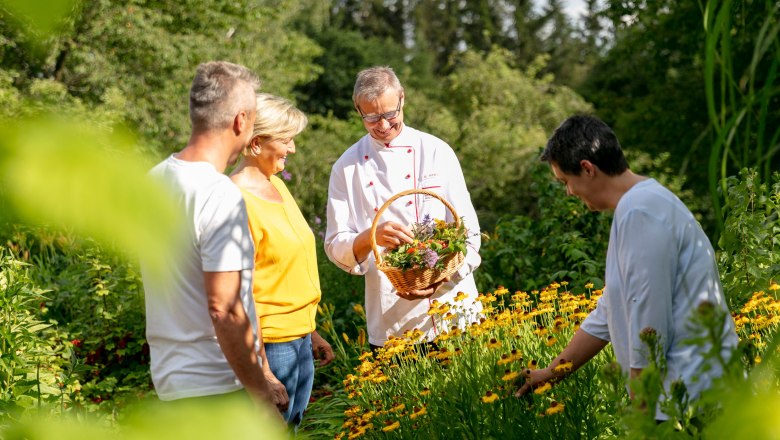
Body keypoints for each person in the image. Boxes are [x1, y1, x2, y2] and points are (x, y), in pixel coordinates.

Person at [516, 114, 738, 420]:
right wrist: (552, 372)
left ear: (587, 169)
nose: (569, 192)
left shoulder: (641, 210)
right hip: (681, 394)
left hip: (691, 398)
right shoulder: (639, 205)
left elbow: (649, 310)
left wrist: (641, 398)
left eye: (566, 181)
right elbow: (611, 309)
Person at [139, 61, 277, 414]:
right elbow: (225, 309)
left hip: (172, 383)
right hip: (217, 387)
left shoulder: (153, 181)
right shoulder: (218, 193)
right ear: (240, 121)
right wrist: (262, 398)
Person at [324, 66, 482, 350]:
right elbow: (335, 244)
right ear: (357, 110)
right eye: (370, 117)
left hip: (455, 312)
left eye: (389, 114)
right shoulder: (346, 167)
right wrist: (370, 237)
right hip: (393, 322)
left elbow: (469, 232)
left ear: (402, 99)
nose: (382, 125)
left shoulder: (437, 151)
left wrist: (445, 277)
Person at [229, 93, 334, 427]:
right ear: (257, 143)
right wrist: (262, 371)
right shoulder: (236, 199)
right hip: (270, 346)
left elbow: (287, 269)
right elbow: (236, 293)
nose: (293, 149)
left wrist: (311, 332)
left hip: (299, 338)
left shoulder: (276, 185)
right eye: (286, 140)